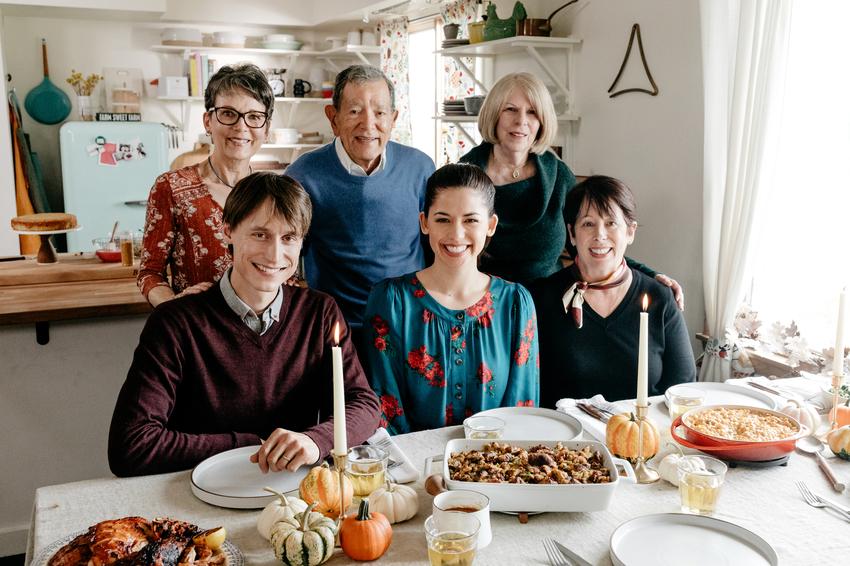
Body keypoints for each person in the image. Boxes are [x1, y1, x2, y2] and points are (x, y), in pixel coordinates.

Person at [109, 172, 380, 477]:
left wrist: (314, 441)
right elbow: (129, 446)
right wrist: (250, 445)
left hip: (291, 493)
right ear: (227, 231)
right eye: (260, 234)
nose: (275, 254)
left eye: (289, 237)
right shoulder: (175, 324)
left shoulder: (319, 313)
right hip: (200, 492)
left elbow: (364, 404)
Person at [460, 72, 684, 308]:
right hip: (481, 308)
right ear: (494, 114)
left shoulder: (558, 176)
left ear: (542, 121)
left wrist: (649, 275)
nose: (521, 121)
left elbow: (594, 242)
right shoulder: (463, 176)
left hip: (548, 310)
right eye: (510, 109)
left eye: (532, 112)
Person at [363, 164, 539, 434]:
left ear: (491, 225)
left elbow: (521, 413)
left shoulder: (516, 304)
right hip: (411, 469)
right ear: (424, 222)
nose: (456, 234)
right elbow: (386, 413)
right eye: (443, 219)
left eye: (470, 220)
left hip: (496, 469)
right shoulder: (391, 301)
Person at [285, 65, 436, 347]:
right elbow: (286, 256)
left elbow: (435, 249)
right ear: (333, 119)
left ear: (393, 119)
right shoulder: (302, 175)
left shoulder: (421, 168)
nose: (368, 125)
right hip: (337, 332)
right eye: (354, 111)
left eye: (379, 113)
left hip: (413, 326)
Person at [530, 176, 695, 407]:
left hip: (645, 437)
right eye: (587, 223)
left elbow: (682, 389)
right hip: (566, 440)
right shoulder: (542, 298)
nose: (600, 235)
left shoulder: (660, 298)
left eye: (611, 223)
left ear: (630, 232)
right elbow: (531, 390)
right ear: (572, 233)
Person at [138, 63, 275, 307]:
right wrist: (176, 309)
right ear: (208, 122)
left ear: (266, 129)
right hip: (197, 335)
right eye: (228, 113)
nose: (241, 126)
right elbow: (149, 274)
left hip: (262, 333)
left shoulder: (273, 193)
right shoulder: (171, 187)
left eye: (254, 117)